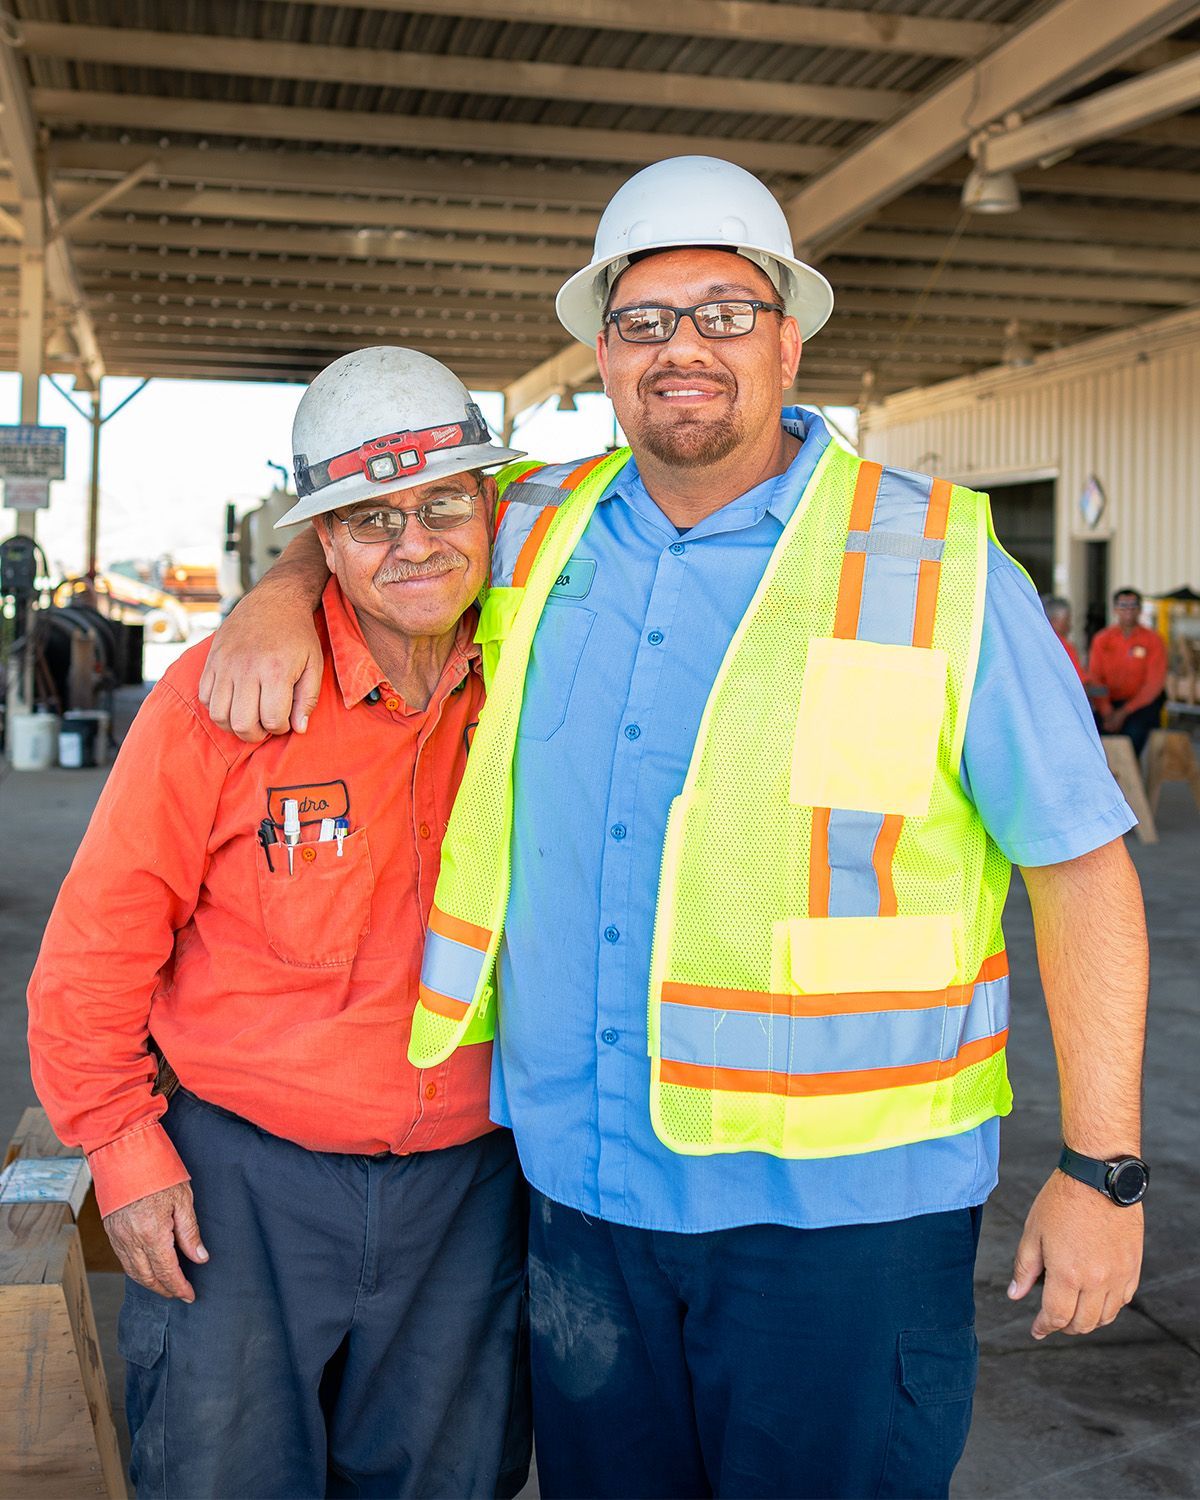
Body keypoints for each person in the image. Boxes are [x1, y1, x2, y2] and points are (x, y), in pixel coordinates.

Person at [200, 159, 1150, 1500]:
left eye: (723, 310)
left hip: (842, 1223)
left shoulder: (936, 563)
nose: (682, 347)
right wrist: (280, 585)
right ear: (602, 352)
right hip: (590, 1201)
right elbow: (385, 524)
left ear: (790, 336)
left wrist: (1103, 1171)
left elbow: (1083, 868)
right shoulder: (531, 528)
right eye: (645, 321)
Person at [27, 347, 532, 1500]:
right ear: (327, 538)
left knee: (445, 1483)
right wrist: (123, 1148)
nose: (412, 542)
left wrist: (291, 568)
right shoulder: (224, 701)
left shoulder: (535, 677)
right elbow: (94, 953)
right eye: (364, 521)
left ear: (492, 504)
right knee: (222, 1477)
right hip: (240, 1189)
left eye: (442, 502)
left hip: (470, 1188)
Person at [1087, 587, 1168, 756]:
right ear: (1115, 609)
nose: (1128, 610)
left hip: (1141, 706)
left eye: (1133, 606)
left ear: (1140, 609)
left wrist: (1124, 713)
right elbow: (1095, 679)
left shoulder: (1153, 640)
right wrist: (1107, 710)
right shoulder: (1102, 639)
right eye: (1123, 606)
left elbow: (1153, 685)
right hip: (1109, 703)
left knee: (1132, 736)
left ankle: (1130, 780)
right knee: (1091, 735)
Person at [1040, 592, 1086, 680]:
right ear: (1054, 620)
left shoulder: (1035, 643)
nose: (1070, 626)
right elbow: (1079, 682)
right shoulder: (1063, 646)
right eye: (1067, 620)